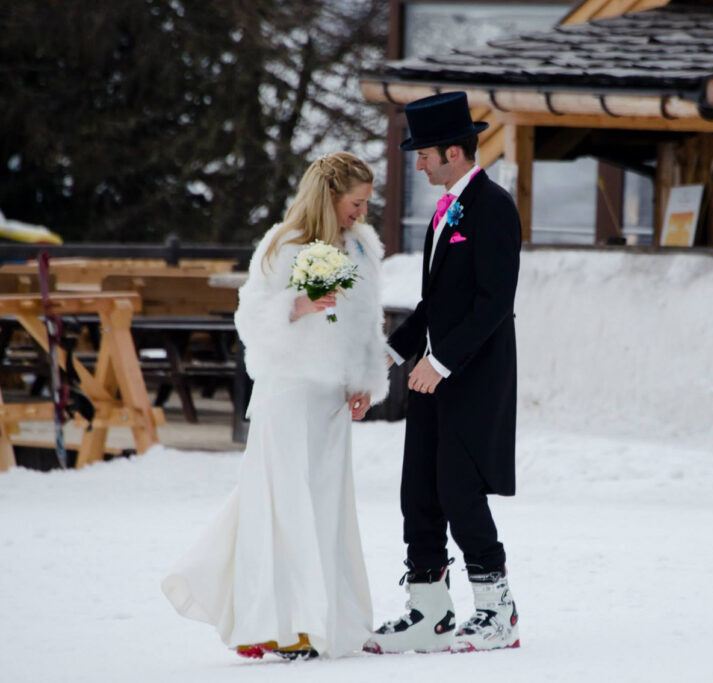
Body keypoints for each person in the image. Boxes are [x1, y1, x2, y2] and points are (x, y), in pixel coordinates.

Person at [161, 152, 389, 660]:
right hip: (288, 393)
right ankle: (289, 624)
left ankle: (293, 614)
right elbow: (251, 317)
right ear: (330, 197)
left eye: (366, 204)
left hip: (330, 400)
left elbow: (367, 321)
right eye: (356, 203)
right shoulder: (283, 244)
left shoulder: (361, 248)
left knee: (324, 506)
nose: (361, 213)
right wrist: (297, 304)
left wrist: (365, 380)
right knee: (284, 504)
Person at [364, 91, 522, 655]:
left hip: (473, 376)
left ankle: (497, 612)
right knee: (420, 490)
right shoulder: (445, 211)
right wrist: (389, 354)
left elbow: (493, 303)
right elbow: (435, 305)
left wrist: (442, 361)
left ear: (453, 151)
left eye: (423, 153)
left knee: (459, 489)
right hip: (433, 375)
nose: (418, 163)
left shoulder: (493, 207)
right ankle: (429, 613)